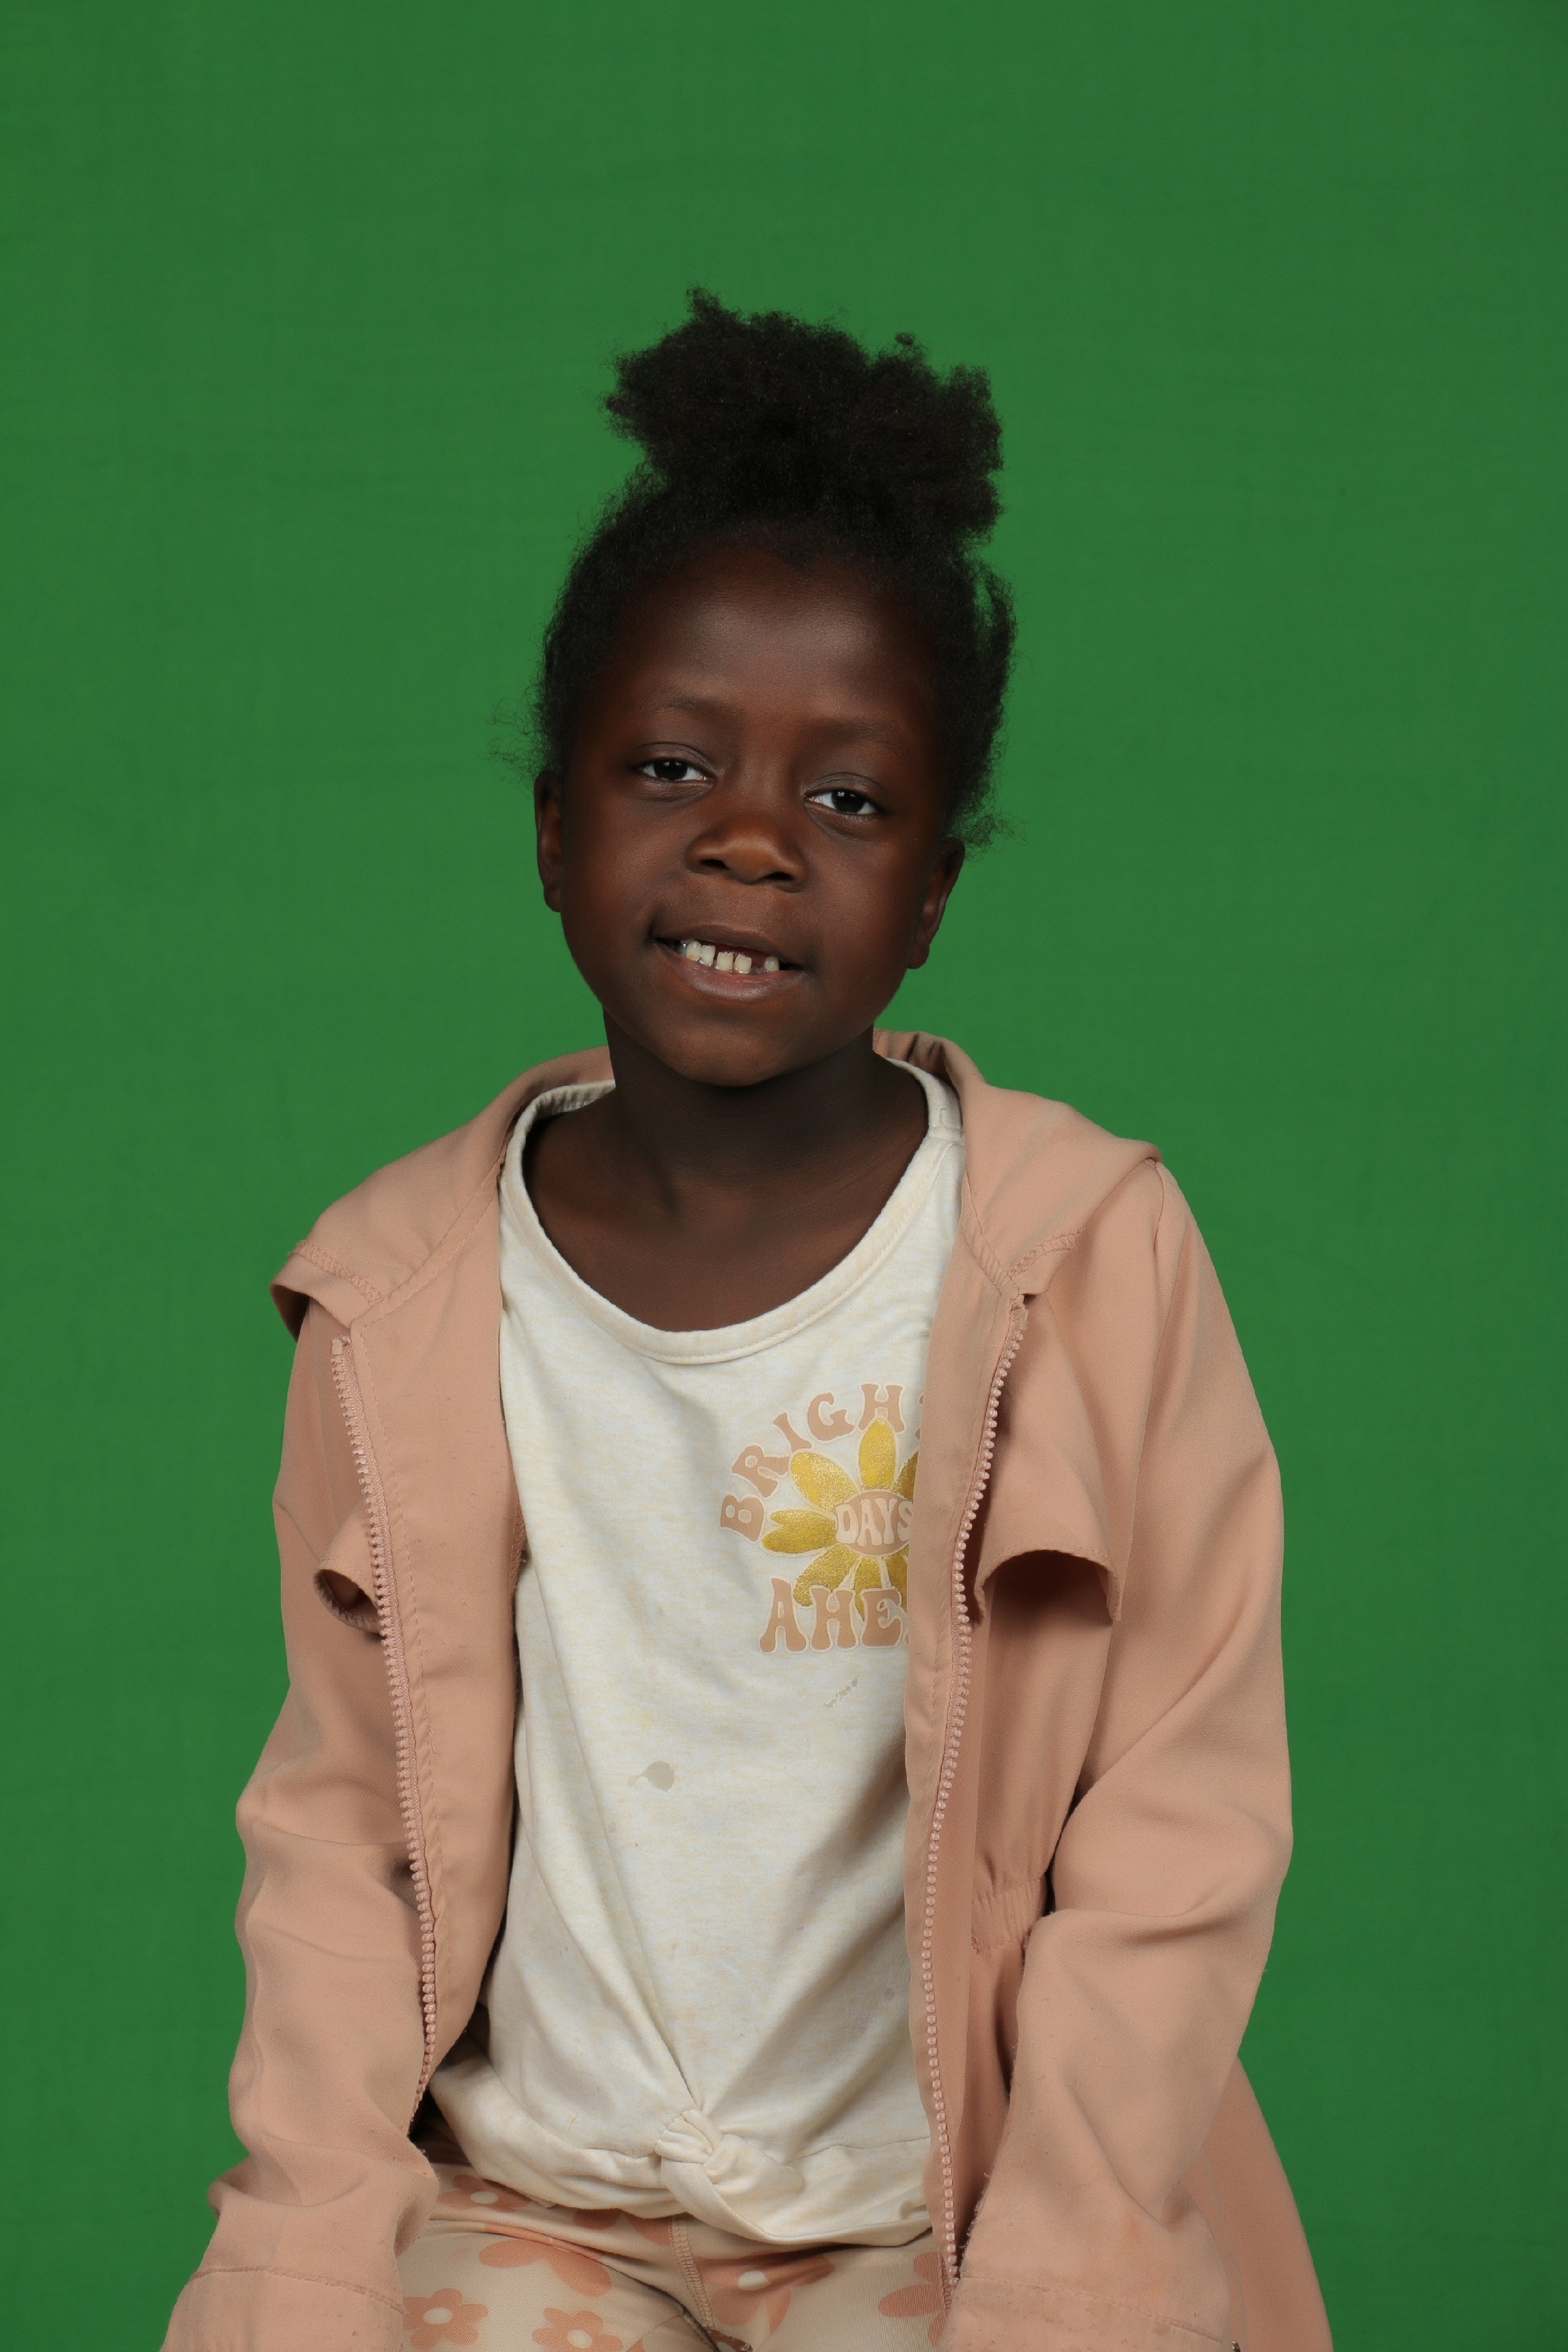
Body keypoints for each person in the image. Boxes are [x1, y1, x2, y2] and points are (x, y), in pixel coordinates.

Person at [163, 292, 1331, 2352]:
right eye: (672, 763)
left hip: (942, 2213)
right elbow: (343, 1833)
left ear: (937, 891)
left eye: (849, 800)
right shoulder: (399, 1297)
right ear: (552, 829)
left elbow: (1179, 1820)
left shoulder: (1083, 1261)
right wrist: (307, 2251)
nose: (750, 837)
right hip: (544, 2196)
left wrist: (1060, 2271)